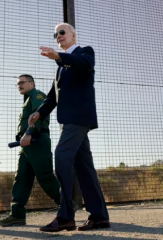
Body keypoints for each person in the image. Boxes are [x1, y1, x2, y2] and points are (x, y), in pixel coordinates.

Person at [28, 23, 109, 232]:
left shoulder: (84, 53)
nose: (58, 36)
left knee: (62, 156)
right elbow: (53, 96)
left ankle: (65, 216)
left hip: (79, 118)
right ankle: (99, 216)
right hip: (68, 121)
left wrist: (59, 57)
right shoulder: (61, 69)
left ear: (73, 34)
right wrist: (39, 113)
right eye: (55, 34)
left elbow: (84, 63)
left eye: (62, 32)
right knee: (85, 168)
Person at [0, 74, 62, 227]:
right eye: (17, 84)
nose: (19, 85)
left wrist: (29, 133)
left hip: (37, 140)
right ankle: (17, 215)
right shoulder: (26, 99)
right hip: (26, 143)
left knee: (45, 176)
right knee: (21, 178)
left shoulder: (38, 95)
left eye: (22, 82)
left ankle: (67, 205)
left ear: (31, 83)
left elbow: (39, 115)